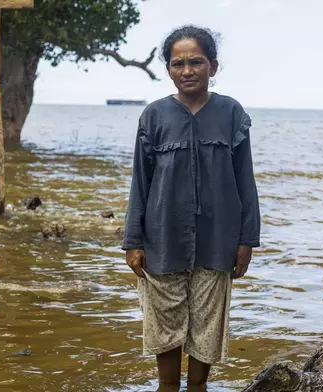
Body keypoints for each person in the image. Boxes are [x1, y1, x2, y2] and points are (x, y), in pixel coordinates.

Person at [122, 25, 261, 391]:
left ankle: (197, 386)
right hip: (162, 241)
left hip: (219, 241)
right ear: (168, 69)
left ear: (213, 67)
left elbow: (245, 181)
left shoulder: (231, 113)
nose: (187, 70)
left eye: (196, 62)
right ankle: (168, 386)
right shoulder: (154, 116)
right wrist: (132, 241)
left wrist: (247, 239)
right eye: (177, 63)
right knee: (165, 329)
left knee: (207, 328)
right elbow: (141, 181)